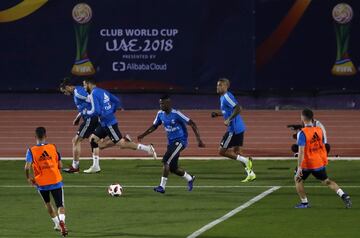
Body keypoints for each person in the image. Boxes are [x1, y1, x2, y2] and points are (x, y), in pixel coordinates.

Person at [83, 77, 157, 173]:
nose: (84, 87)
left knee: (121, 144)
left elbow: (95, 111)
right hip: (104, 123)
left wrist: (86, 112)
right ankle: (96, 166)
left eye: (84, 85)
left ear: (89, 84)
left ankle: (147, 148)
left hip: (109, 123)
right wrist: (111, 111)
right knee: (93, 140)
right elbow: (117, 101)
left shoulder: (93, 94)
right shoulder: (102, 91)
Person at [137, 95, 205, 194]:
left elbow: (192, 123)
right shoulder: (160, 114)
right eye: (160, 103)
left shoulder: (177, 114)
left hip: (181, 142)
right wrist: (143, 135)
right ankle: (190, 178)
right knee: (173, 168)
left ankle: (162, 187)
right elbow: (154, 126)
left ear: (168, 103)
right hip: (171, 143)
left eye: (162, 103)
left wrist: (199, 140)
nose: (161, 105)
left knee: (166, 161)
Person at [294, 108, 352, 208]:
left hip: (307, 164)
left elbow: (301, 152)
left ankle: (304, 203)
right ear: (312, 118)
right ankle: (343, 194)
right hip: (318, 163)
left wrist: (299, 168)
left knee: (298, 179)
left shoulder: (302, 133)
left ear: (302, 118)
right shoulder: (319, 130)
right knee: (327, 181)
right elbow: (322, 145)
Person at [24, 127, 68, 236]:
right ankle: (62, 221)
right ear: (46, 136)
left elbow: (26, 167)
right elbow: (60, 166)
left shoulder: (31, 151)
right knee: (60, 205)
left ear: (35, 137)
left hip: (41, 183)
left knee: (47, 203)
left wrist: (29, 178)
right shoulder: (53, 147)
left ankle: (57, 224)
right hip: (55, 180)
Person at [211, 78, 255, 182]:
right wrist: (218, 114)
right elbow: (229, 110)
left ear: (226, 86)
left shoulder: (226, 96)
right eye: (217, 85)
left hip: (233, 129)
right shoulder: (223, 97)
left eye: (220, 85)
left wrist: (229, 119)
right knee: (237, 151)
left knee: (222, 151)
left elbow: (238, 108)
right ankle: (251, 173)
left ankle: (246, 160)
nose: (218, 87)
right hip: (239, 127)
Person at [59, 78, 99, 173]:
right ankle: (96, 165)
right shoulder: (77, 92)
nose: (65, 94)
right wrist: (78, 117)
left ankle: (75, 167)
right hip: (90, 118)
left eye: (64, 91)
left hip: (90, 118)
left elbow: (92, 99)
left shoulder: (78, 92)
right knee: (95, 141)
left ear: (68, 87)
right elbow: (85, 106)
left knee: (76, 141)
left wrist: (95, 113)